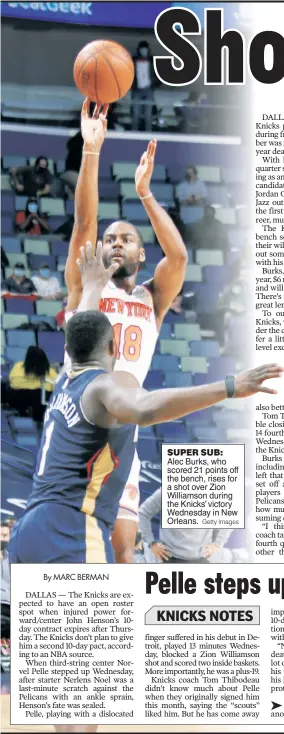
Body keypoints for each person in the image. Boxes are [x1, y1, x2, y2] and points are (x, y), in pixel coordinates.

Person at [9, 303, 282, 569]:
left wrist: (93, 281)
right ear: (114, 346)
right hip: (70, 531)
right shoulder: (108, 383)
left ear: (68, 350)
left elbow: (83, 318)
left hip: (28, 531)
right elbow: (145, 409)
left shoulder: (64, 381)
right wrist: (230, 386)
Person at [64, 98, 188, 564]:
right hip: (78, 421)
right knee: (69, 543)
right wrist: (92, 150)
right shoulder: (84, 281)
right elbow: (83, 223)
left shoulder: (150, 299)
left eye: (127, 239)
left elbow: (177, 260)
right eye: (110, 238)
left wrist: (146, 196)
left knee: (122, 550)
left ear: (139, 255)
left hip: (124, 431)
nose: (116, 242)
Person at [138, 488, 232, 563]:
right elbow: (143, 513)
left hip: (201, 558)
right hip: (169, 558)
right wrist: (151, 543)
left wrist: (218, 544)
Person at [7, 346, 57, 421]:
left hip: (19, 400)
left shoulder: (18, 367)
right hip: (40, 403)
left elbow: (11, 382)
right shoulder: (51, 372)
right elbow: (56, 387)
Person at [132, 41, 155, 131]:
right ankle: (134, 132)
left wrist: (153, 84)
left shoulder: (152, 60)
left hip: (148, 89)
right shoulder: (134, 60)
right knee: (136, 113)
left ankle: (148, 133)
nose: (143, 51)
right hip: (137, 89)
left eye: (145, 49)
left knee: (148, 114)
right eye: (142, 49)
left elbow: (159, 74)